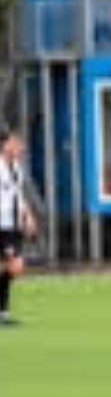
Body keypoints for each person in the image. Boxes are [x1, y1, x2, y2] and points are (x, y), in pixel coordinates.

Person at [0, 130, 37, 326]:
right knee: (13, 267)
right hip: (1, 225)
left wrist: (27, 215)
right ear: (4, 145)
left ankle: (3, 312)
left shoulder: (16, 167)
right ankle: (3, 312)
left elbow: (17, 195)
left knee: (14, 268)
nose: (19, 146)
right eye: (15, 143)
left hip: (12, 225)